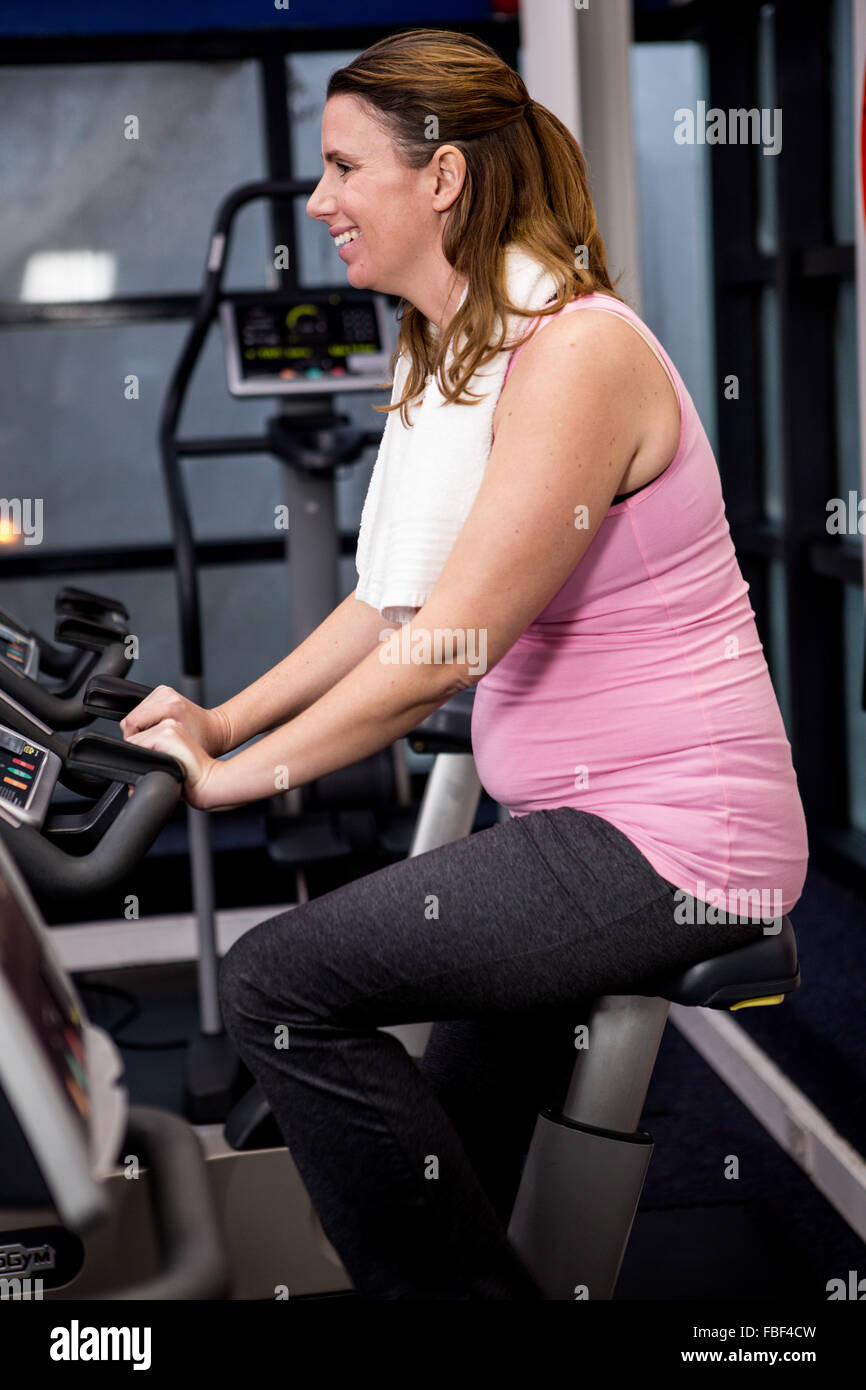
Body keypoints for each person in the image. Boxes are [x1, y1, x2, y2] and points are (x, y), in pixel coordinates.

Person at [121, 30, 809, 1299]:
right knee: (453, 1147)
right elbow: (390, 608)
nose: (316, 202)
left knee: (276, 983)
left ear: (439, 177)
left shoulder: (573, 352)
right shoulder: (453, 346)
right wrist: (220, 722)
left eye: (341, 168)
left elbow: (448, 650)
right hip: (572, 821)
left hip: (671, 839)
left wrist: (242, 780)